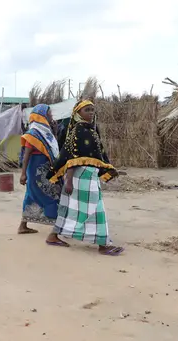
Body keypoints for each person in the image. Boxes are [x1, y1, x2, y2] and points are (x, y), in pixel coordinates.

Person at [46, 100, 124, 255]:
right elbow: (71, 157)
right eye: (87, 110)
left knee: (73, 208)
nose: (91, 112)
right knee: (95, 208)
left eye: (92, 110)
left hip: (90, 175)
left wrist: (109, 169)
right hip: (79, 176)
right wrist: (68, 181)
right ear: (77, 113)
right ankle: (103, 244)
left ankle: (53, 235)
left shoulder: (91, 130)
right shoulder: (78, 131)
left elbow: (98, 155)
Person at [17, 104, 61, 234]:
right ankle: (57, 226)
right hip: (36, 171)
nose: (51, 116)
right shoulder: (33, 134)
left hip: (45, 170)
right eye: (49, 113)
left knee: (32, 195)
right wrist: (23, 174)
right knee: (51, 194)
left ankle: (23, 226)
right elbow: (26, 155)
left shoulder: (46, 133)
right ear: (41, 115)